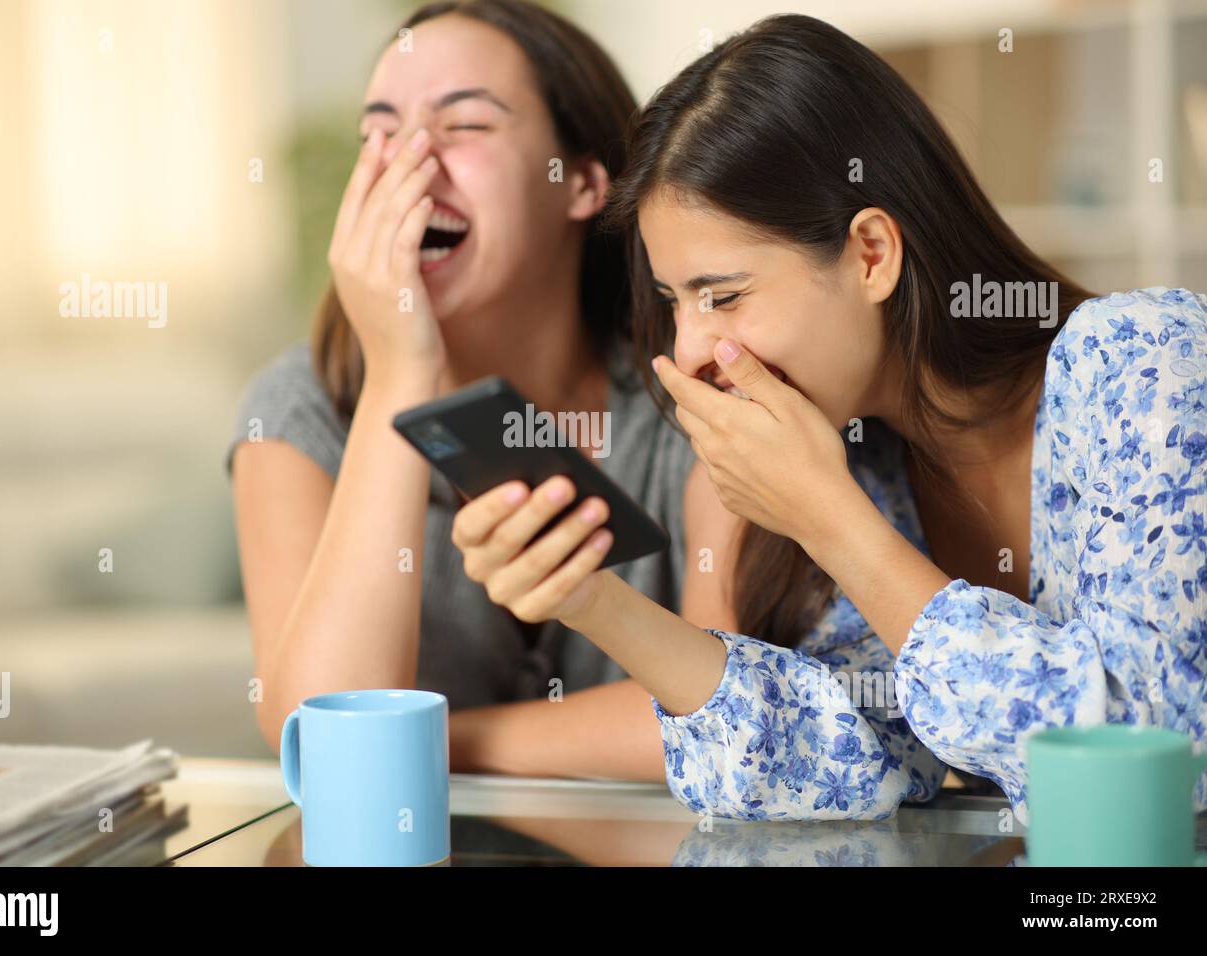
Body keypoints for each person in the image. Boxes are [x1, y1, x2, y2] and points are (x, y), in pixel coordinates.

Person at [451, 14, 1207, 822]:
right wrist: (590, 599)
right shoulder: (865, 459)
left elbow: (1156, 763)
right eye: (674, 302)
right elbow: (839, 762)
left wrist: (833, 521)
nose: (690, 352)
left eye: (725, 294)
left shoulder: (1143, 357)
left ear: (872, 254)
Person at [227, 0, 737, 779]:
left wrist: (426, 745)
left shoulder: (691, 390)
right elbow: (324, 730)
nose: (410, 163)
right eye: (381, 132)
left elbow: (730, 710)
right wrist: (400, 370)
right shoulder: (297, 409)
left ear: (583, 183)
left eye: (463, 125)